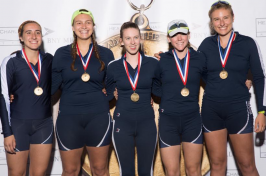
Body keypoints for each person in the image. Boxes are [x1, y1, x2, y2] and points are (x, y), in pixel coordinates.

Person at [198, 1, 266, 176]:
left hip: (238, 110)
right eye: (216, 19)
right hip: (211, 110)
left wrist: (262, 112)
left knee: (247, 166)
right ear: (212, 22)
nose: (222, 23)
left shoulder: (248, 43)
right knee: (217, 165)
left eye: (225, 18)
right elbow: (199, 72)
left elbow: (259, 77)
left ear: (233, 17)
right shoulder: (206, 45)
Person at [52, 9, 114, 176]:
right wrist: (22, 93)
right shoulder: (61, 54)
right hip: (69, 119)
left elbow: (114, 84)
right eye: (79, 22)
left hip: (98, 117)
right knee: (70, 170)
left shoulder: (106, 54)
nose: (84, 26)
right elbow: (51, 87)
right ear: (73, 27)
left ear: (93, 26)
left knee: (100, 170)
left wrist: (105, 97)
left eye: (88, 22)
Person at [0, 20, 53, 176]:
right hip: (17, 126)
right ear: (21, 37)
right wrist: (7, 132)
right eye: (28, 32)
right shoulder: (11, 62)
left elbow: (65, 82)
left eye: (37, 32)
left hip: (44, 125)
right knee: (17, 173)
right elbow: (3, 97)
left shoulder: (50, 60)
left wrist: (101, 88)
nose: (34, 36)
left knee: (39, 173)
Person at [152, 20, 204, 176]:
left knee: (193, 171)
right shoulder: (161, 61)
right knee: (172, 172)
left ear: (189, 35)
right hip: (168, 121)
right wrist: (168, 96)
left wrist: (244, 79)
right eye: (175, 35)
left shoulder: (200, 58)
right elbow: (154, 86)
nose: (179, 38)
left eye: (183, 34)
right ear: (168, 39)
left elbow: (214, 79)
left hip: (192, 120)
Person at [105, 22, 158, 176]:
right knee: (126, 172)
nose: (132, 42)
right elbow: (107, 95)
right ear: (121, 41)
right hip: (122, 123)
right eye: (128, 38)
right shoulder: (113, 66)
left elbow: (160, 90)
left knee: (146, 172)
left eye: (135, 37)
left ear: (140, 39)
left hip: (147, 123)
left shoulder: (153, 63)